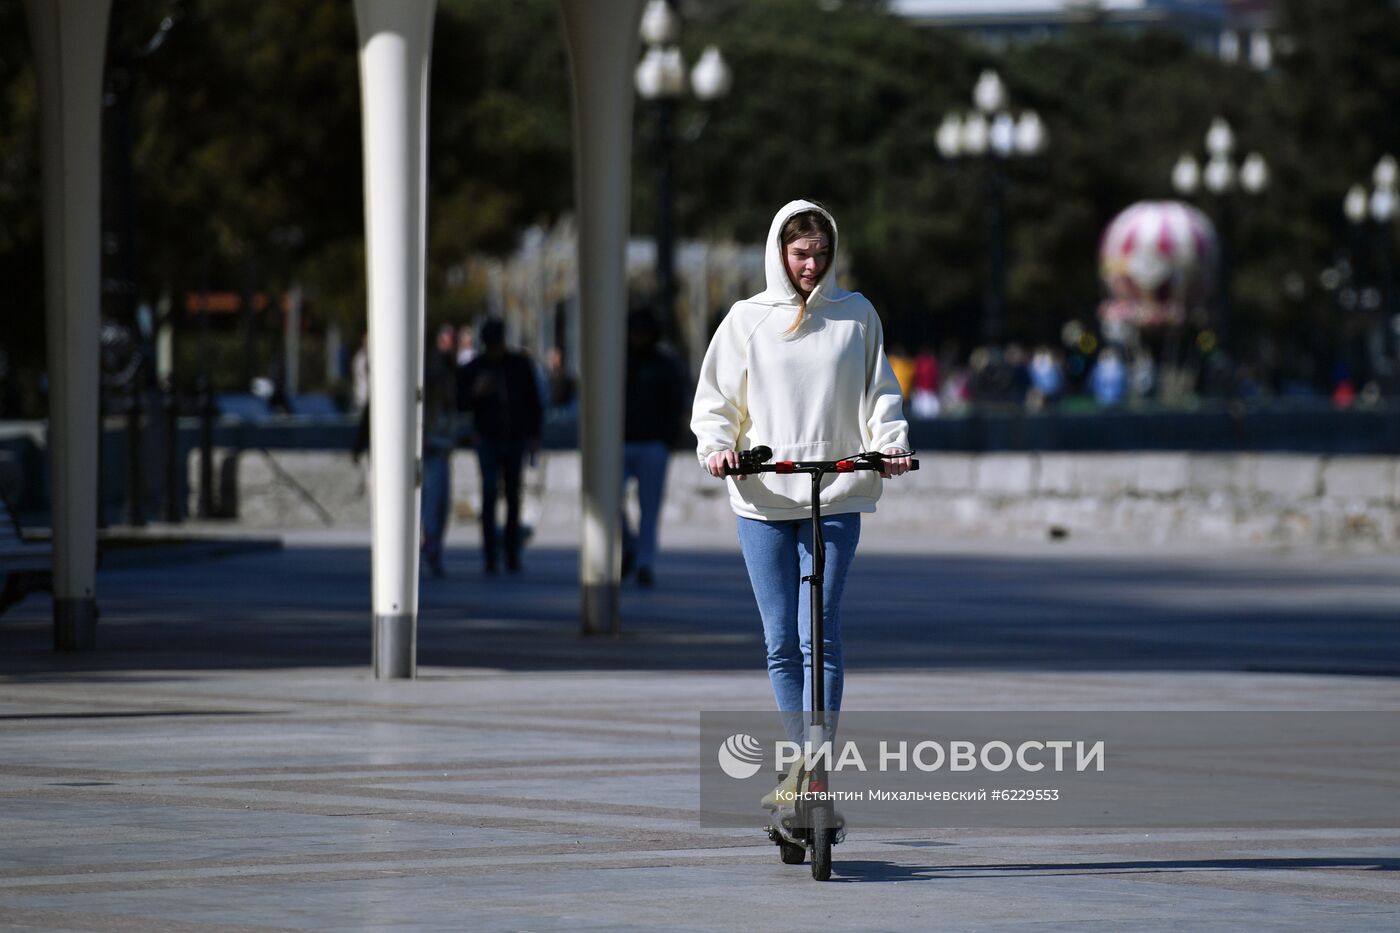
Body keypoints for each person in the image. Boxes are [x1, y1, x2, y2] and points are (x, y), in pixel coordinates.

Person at [690, 200, 911, 810]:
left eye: (820, 253)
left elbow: (879, 393)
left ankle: (816, 769)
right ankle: (798, 761)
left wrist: (889, 447)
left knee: (823, 636)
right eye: (799, 254)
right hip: (763, 494)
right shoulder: (746, 319)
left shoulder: (856, 315)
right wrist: (717, 447)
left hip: (835, 490)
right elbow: (715, 401)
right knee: (780, 639)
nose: (811, 265)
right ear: (779, 254)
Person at [457, 317, 543, 574]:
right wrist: (476, 393)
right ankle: (490, 554)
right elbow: (461, 403)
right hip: (488, 437)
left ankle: (511, 552)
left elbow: (533, 401)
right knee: (490, 492)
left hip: (515, 437)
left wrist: (534, 435)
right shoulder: (475, 368)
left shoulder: (519, 365)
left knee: (514, 494)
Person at [622, 308, 689, 587]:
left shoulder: (664, 364)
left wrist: (669, 440)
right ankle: (630, 547)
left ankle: (644, 563)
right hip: (621, 443)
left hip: (653, 443)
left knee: (649, 508)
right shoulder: (619, 360)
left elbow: (676, 403)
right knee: (610, 501)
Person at [420, 324, 459, 577]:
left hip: (440, 447)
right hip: (432, 448)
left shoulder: (449, 372)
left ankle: (433, 545)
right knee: (433, 502)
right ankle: (431, 545)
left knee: (439, 503)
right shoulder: (436, 374)